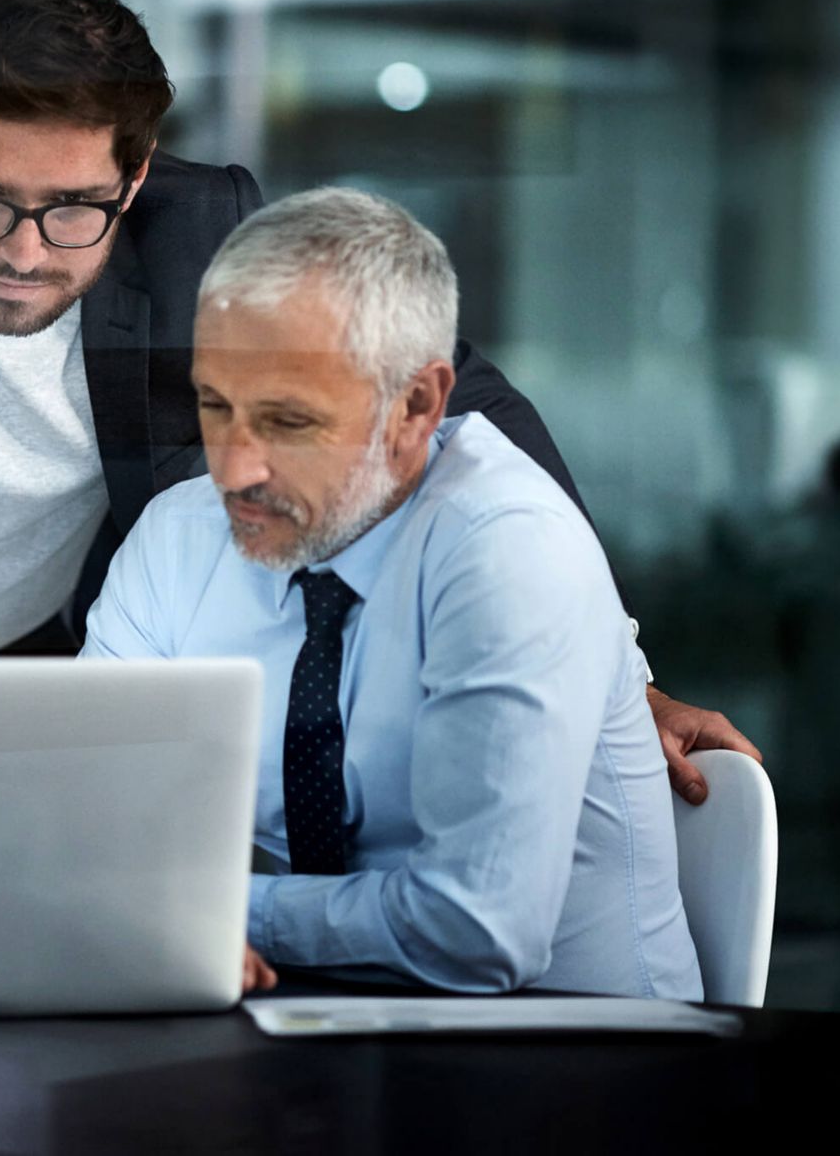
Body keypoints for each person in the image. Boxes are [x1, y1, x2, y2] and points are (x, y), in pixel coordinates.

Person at [0, 0, 756, 819]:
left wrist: (624, 678)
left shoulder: (206, 231)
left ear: (136, 171)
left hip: (8, 699)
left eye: (74, 207)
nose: (25, 252)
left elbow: (462, 405)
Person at [83, 188, 702, 997]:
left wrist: (211, 911)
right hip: (311, 1045)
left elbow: (477, 932)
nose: (233, 469)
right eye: (214, 405)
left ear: (417, 406)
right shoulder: (178, 536)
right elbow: (82, 837)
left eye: (288, 422)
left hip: (576, 1064)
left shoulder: (508, 546)